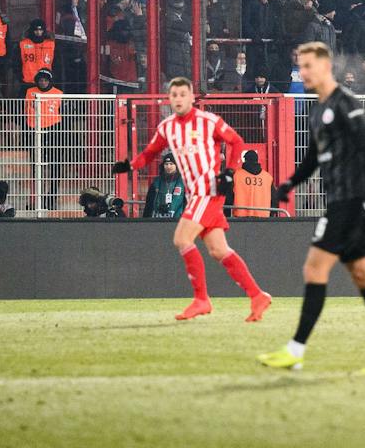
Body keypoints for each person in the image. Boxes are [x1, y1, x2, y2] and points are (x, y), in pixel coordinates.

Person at [259, 41, 365, 375]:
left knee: (315, 269)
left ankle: (296, 349)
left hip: (351, 202)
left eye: (308, 65)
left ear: (325, 67)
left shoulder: (345, 103)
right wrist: (290, 184)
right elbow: (313, 157)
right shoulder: (316, 109)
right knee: (364, 276)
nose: (303, 72)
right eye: (300, 66)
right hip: (342, 201)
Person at [112, 77, 273, 322]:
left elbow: (237, 142)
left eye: (182, 94)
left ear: (191, 97)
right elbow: (150, 153)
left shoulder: (208, 121)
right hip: (194, 194)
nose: (177, 99)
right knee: (219, 250)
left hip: (207, 190)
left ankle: (201, 300)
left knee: (182, 238)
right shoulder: (167, 127)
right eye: (173, 95)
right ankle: (257, 295)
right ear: (169, 99)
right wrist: (128, 165)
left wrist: (229, 172)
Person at [23, 68, 67, 213]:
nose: (42, 82)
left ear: (50, 81)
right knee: (36, 167)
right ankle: (34, 199)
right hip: (34, 131)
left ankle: (52, 197)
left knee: (55, 166)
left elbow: (65, 116)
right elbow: (25, 112)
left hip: (54, 131)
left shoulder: (59, 93)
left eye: (45, 80)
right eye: (40, 80)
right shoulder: (30, 92)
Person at [143, 152, 188, 219]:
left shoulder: (183, 182)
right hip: (157, 219)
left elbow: (187, 202)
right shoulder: (157, 182)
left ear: (176, 165)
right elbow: (149, 203)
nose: (168, 166)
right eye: (166, 164)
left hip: (178, 219)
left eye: (171, 164)